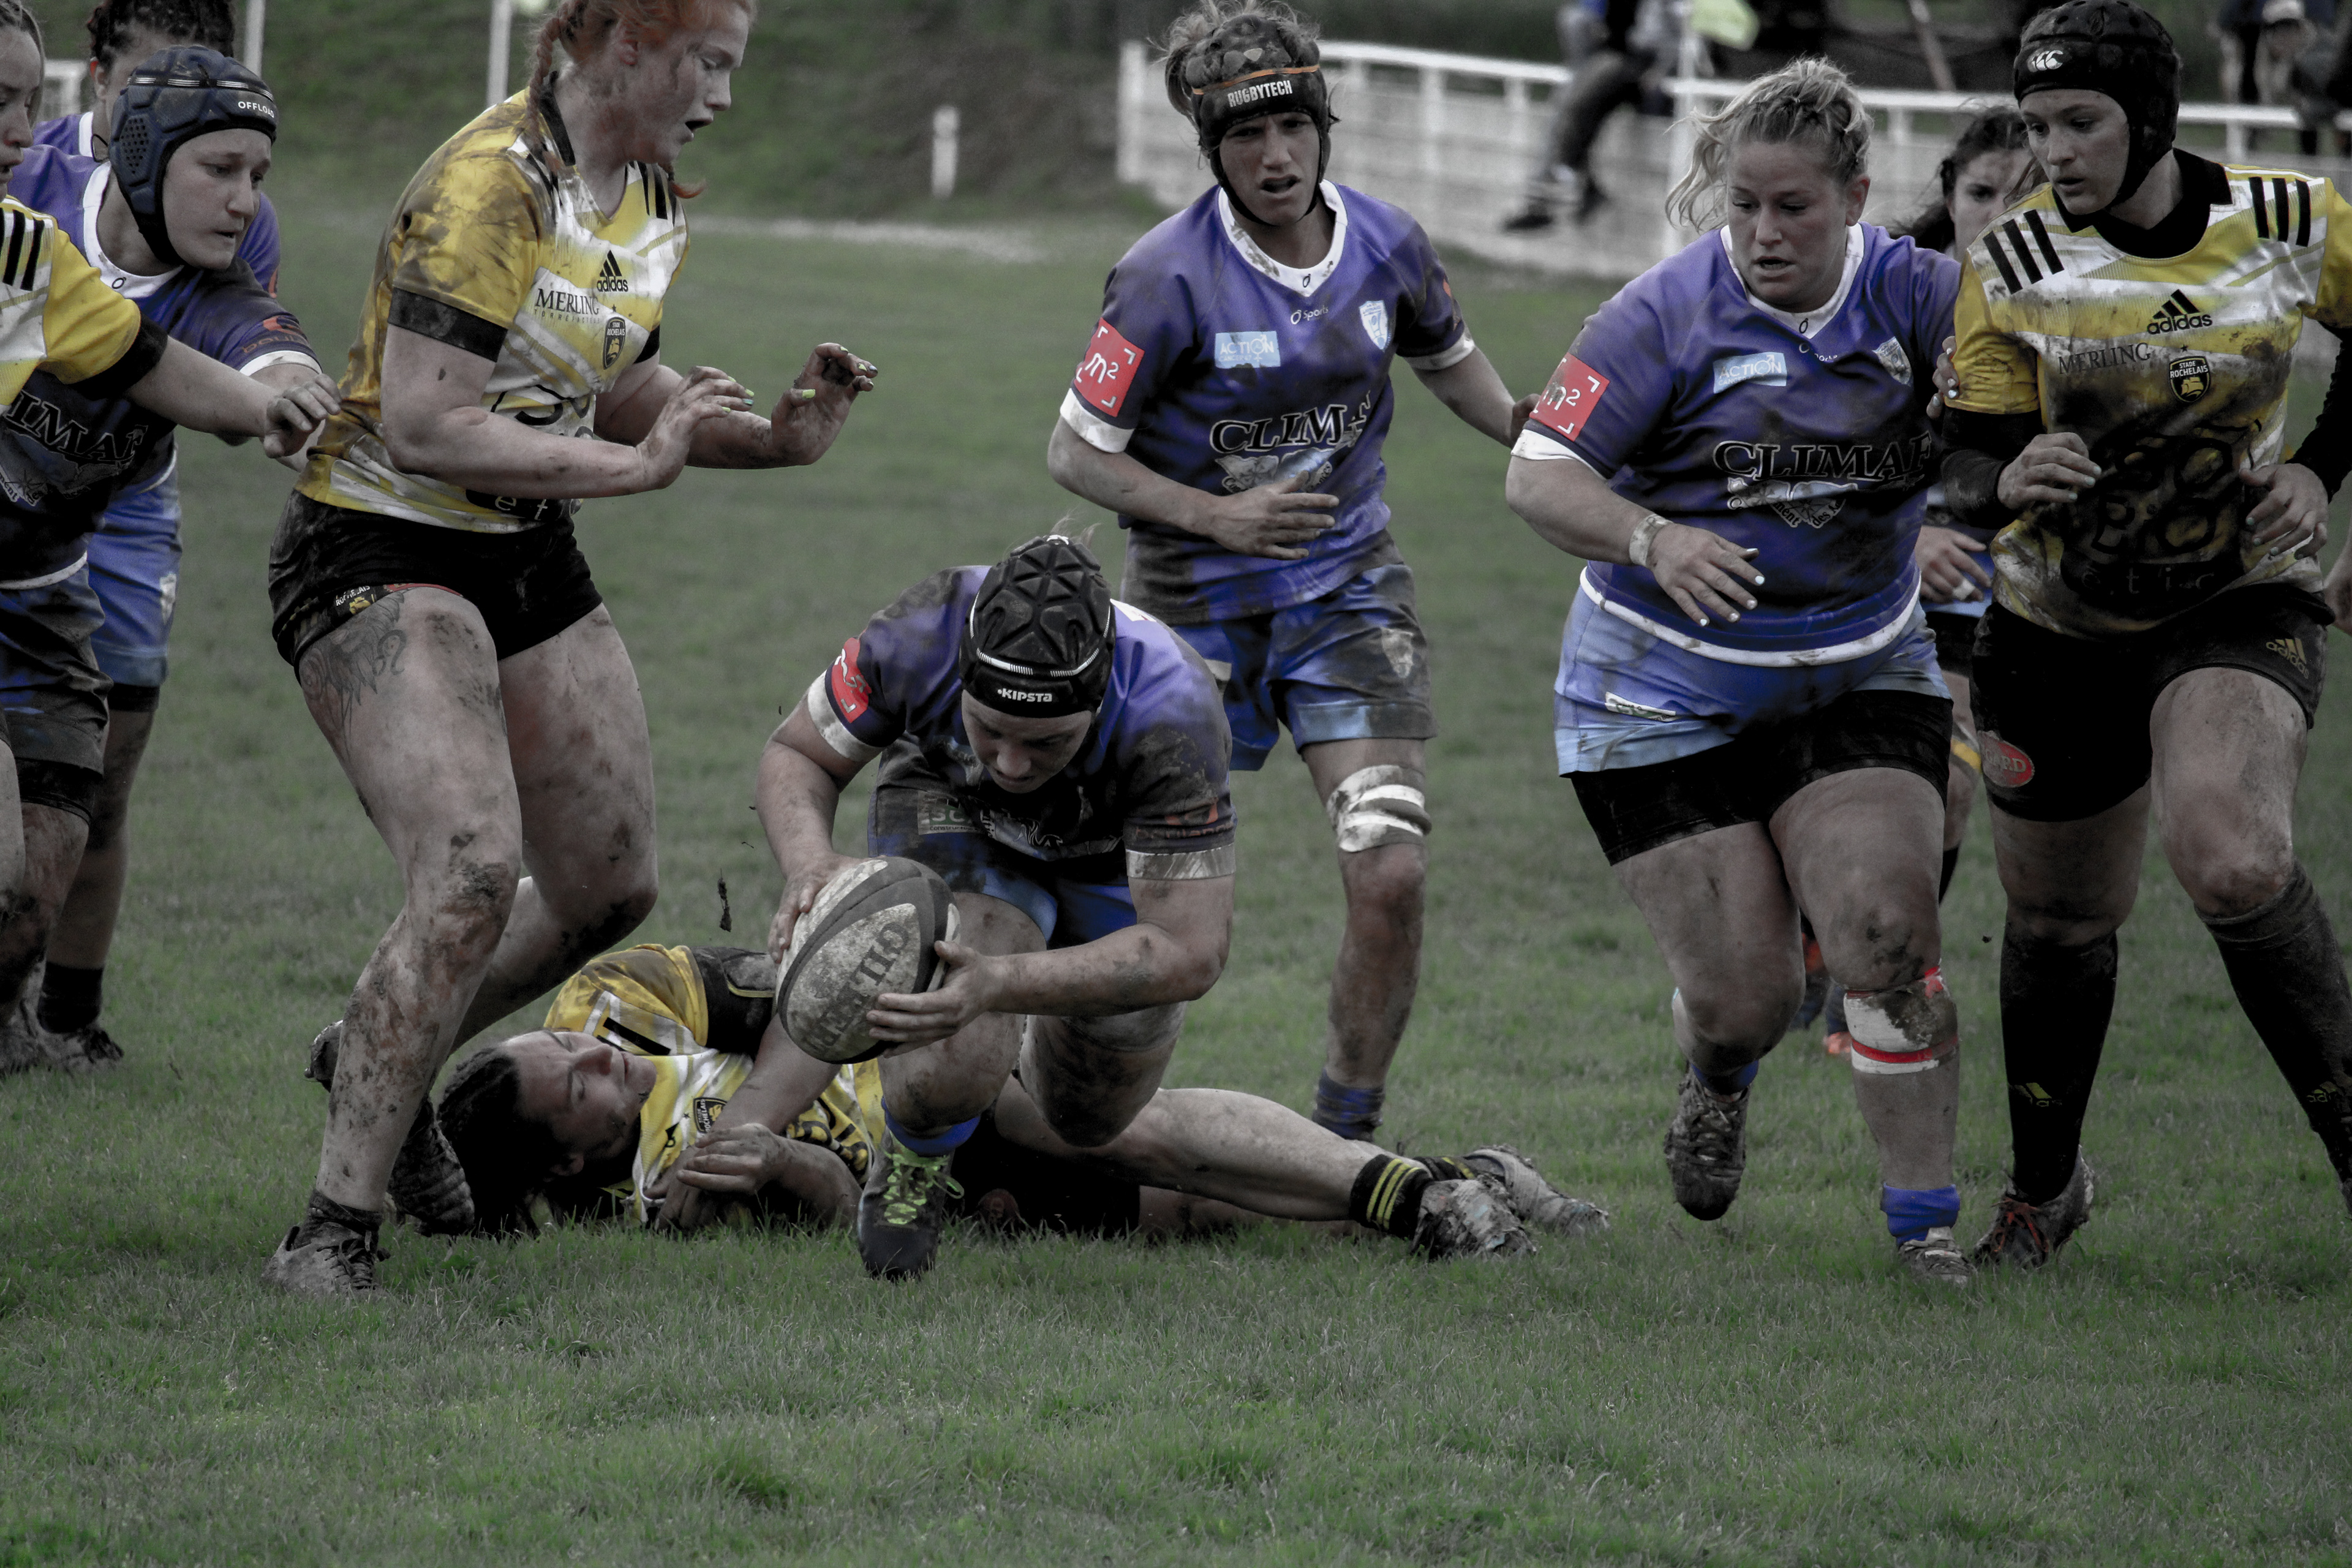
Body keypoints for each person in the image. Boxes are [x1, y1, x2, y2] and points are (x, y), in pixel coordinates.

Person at [258, 0, 876, 1298]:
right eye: (708, 62)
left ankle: (371, 1045)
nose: (722, 94)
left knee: (608, 884)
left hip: (521, 546)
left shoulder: (646, 192)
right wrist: (635, 470)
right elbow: (426, 423)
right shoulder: (491, 187)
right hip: (377, 541)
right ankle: (331, 1228)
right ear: (626, 44)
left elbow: (620, 383)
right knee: (473, 869)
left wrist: (772, 439)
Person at [755, 532, 1537, 1282]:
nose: (1011, 763)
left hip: (1113, 861)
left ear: (1099, 702)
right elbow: (797, 751)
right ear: (959, 676)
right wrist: (810, 863)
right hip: (956, 817)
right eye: (988, 729)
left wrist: (1001, 984)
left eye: (1046, 742)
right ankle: (919, 1153)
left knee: (1089, 1118)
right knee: (964, 1010)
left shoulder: (1173, 712)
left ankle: (1004, 1064)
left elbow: (1190, 950)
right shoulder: (915, 636)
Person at [1506, 59, 1973, 1284]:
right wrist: (1651, 537)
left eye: (1793, 208)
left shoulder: (1926, 296)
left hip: (1858, 667)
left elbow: (2020, 408)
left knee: (1886, 928)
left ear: (1856, 198)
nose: (1764, 233)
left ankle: (1926, 1231)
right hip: (1659, 691)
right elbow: (1537, 473)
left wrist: (1994, 445)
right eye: (1744, 206)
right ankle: (1718, 1074)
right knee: (1745, 1002)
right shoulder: (1659, 315)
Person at [1046, 1, 1534, 1145]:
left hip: (1350, 598)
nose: (1274, 157)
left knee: (1391, 871)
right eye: (1245, 137)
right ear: (1209, 149)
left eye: (1293, 128)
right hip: (1190, 612)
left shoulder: (1390, 245)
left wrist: (1542, 435)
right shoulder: (1163, 275)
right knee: (1133, 901)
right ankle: (1070, 1122)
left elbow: (1451, 364)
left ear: (1324, 126)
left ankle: (1345, 1144)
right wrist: (1215, 516)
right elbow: (1074, 452)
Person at [1945, 0, 2352, 1269]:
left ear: (2154, 120)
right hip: (2054, 626)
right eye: (2038, 125)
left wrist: (2321, 466)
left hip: (2238, 596)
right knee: (2060, 920)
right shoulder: (2013, 260)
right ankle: (2044, 1191)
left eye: (2080, 122)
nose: (2053, 150)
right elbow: (1965, 458)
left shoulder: (2291, 221)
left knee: (2231, 856)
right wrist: (2008, 474)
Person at [344, 941, 1605, 1257]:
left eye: (566, 1047)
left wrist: (763, 1116)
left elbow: (822, 980)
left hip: (947, 1082)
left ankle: (1412, 1188)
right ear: (565, 1162)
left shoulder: (617, 1003)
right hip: (939, 1196)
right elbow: (830, 1210)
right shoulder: (642, 1206)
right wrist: (782, 1172)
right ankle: (1471, 1183)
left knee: (1120, 1128)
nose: (593, 1057)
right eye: (574, 1085)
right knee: (1194, 1216)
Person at [0, 28, 335, 1072]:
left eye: (257, 177)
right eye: (222, 171)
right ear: (143, 156)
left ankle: (59, 1018)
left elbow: (249, 357)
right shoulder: (34, 210)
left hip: (78, 548)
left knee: (69, 833)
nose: (246, 202)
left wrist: (293, 399)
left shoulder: (213, 275)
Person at [1803, 107, 2038, 1059]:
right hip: (1851, 580)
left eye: (2028, 196)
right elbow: (1803, 461)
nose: (2002, 216)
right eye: (1982, 193)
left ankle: (1868, 978)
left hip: (1997, 598)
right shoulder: (1882, 297)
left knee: (1946, 787)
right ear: (1950, 194)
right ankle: (1819, 942)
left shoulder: (2082, 310)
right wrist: (1912, 541)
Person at [1501, 0, 1683, 232]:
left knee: (1574, 104)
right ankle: (1563, 189)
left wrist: (1658, 71)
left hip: (1636, 65)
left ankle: (1559, 191)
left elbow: (1672, 37)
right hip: (1623, 59)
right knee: (1569, 105)